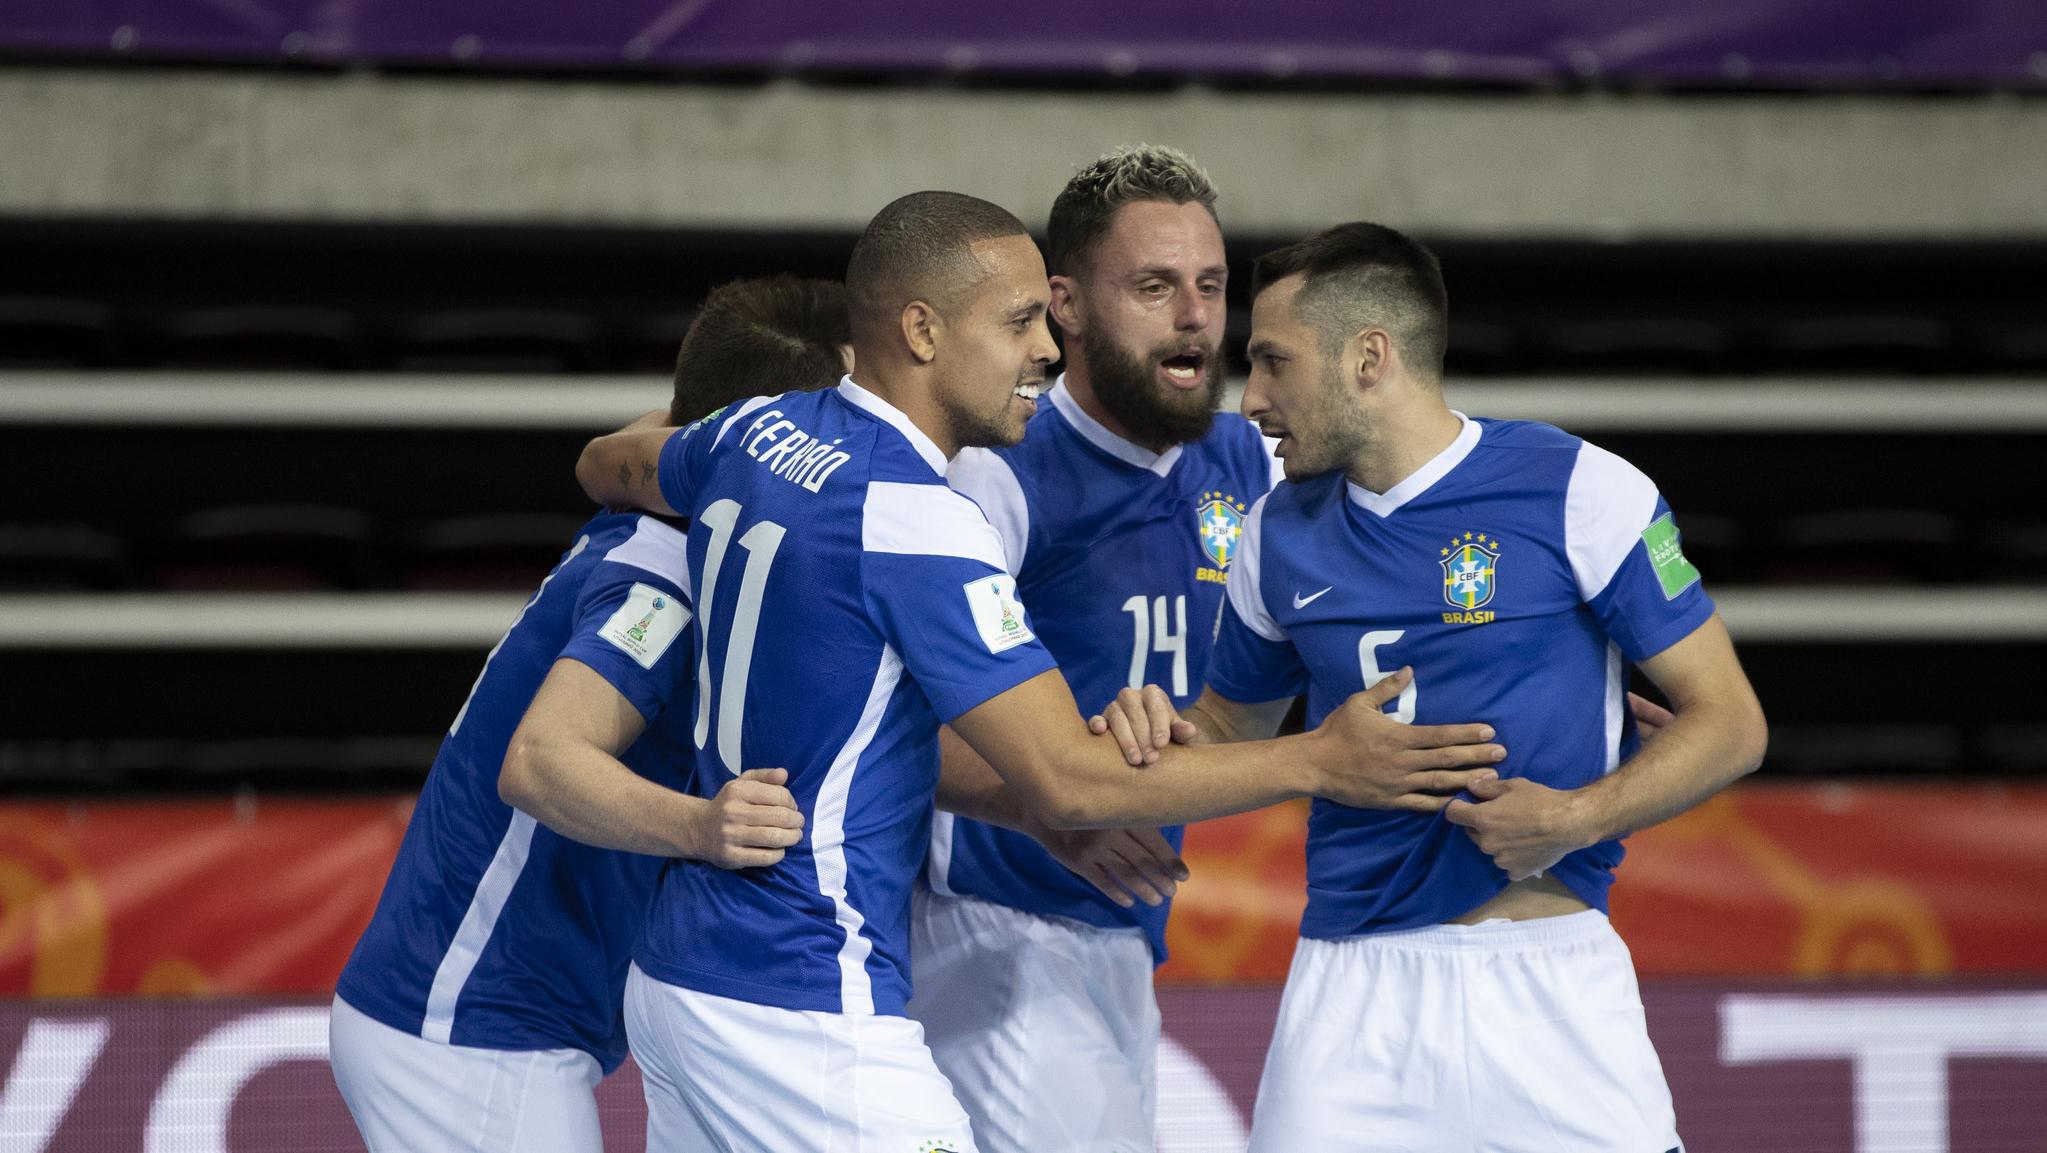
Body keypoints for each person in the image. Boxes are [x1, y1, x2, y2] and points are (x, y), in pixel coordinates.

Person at [574, 192, 1508, 1152]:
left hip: (685, 972)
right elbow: (1062, 778)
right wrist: (1320, 760)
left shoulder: (757, 432)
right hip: (812, 979)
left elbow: (615, 465)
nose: (1047, 349)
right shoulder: (921, 516)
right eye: (1021, 321)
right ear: (923, 331)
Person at [1099, 222, 1768, 1152]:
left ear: (1368, 357)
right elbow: (1225, 727)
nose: (1249, 400)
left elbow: (1731, 723)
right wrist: (1151, 731)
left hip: (1551, 984)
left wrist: (1578, 815)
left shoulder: (1581, 489)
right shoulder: (1273, 531)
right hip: (1353, 992)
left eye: (1274, 363)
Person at [908, 145, 1507, 1153]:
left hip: (1119, 927)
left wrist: (1575, 687)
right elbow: (897, 722)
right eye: (1152, 287)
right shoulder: (999, 474)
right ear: (1067, 304)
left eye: (1210, 286)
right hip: (992, 923)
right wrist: (1051, 806)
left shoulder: (1252, 459)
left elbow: (1394, 600)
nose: (1193, 316)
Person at [328, 275, 846, 1153]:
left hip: (484, 1022)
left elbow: (658, 428)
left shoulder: (678, 503)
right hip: (474, 1033)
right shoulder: (667, 579)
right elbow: (538, 762)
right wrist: (704, 825)